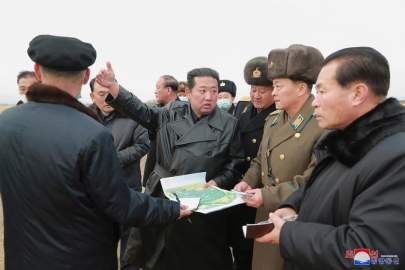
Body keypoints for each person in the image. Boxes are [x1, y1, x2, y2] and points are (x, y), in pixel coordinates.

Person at [0, 34, 190, 270]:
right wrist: (171, 208)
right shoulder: (93, 133)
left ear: (37, 71)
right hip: (80, 258)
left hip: (23, 258)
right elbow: (120, 204)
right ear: (86, 76)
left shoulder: (6, 124)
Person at [257, 47, 405, 270]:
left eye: (322, 91)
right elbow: (320, 188)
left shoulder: (396, 159)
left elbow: (379, 256)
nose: (315, 102)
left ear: (357, 93)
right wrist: (292, 207)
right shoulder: (343, 141)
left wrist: (289, 235)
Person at [96, 64, 244, 270]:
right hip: (165, 198)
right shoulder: (171, 113)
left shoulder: (229, 123)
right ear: (189, 92)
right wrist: (114, 87)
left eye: (214, 91)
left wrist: (217, 182)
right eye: (202, 91)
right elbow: (142, 111)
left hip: (203, 204)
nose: (209, 97)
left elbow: (235, 163)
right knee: (160, 255)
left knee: (201, 258)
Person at [234, 44, 324, 270]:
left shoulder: (321, 124)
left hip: (298, 217)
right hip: (267, 214)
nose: (272, 92)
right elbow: (259, 161)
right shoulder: (273, 120)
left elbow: (313, 180)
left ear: (301, 88)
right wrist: (247, 181)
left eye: (277, 86)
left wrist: (266, 195)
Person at [228, 56, 277, 270]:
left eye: (262, 90)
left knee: (255, 247)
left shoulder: (277, 116)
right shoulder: (243, 109)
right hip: (241, 185)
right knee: (239, 242)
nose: (256, 95)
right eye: (253, 89)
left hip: (260, 190)